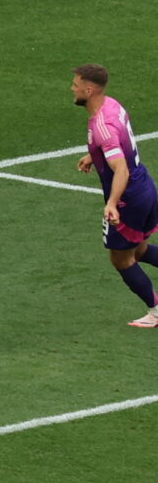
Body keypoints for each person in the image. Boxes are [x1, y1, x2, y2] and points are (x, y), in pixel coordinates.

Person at [72, 65, 158, 328]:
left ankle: (155, 312)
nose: (71, 89)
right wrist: (94, 155)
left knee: (121, 258)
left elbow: (119, 167)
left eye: (75, 85)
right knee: (139, 249)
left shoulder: (102, 125)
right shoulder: (112, 105)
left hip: (128, 199)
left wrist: (111, 202)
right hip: (145, 187)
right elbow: (119, 145)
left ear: (89, 89)